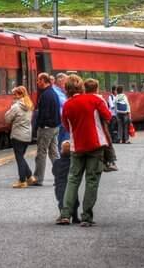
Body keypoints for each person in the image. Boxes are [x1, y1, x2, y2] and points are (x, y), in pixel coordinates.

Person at [57, 75, 112, 227]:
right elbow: (108, 116)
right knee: (91, 180)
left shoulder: (67, 105)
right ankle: (86, 216)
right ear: (81, 87)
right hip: (96, 144)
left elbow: (66, 125)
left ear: (66, 89)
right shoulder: (95, 100)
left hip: (77, 146)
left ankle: (65, 214)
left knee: (73, 179)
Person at [5, 86, 36, 188]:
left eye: (15, 94)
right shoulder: (29, 105)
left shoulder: (16, 107)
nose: (13, 96)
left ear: (20, 95)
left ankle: (22, 181)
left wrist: (10, 108)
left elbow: (7, 119)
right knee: (21, 157)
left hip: (18, 135)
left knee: (19, 158)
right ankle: (30, 177)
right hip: (27, 135)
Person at [33, 73, 60, 186]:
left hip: (46, 128)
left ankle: (38, 178)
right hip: (55, 127)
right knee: (54, 153)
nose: (37, 82)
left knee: (41, 153)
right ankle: (60, 177)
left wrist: (39, 125)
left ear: (43, 80)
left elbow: (43, 113)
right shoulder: (53, 93)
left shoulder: (45, 95)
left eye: (38, 80)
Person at [52, 139, 80, 224]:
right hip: (71, 185)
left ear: (61, 151)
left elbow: (54, 172)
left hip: (59, 186)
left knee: (62, 202)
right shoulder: (73, 162)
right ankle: (75, 217)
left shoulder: (56, 162)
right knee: (75, 202)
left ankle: (63, 215)